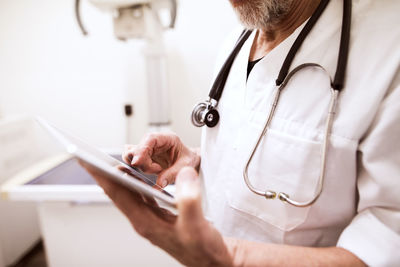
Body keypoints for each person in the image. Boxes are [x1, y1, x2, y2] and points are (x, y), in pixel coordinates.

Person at [85, 0, 400, 265]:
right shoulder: (239, 38)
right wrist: (198, 161)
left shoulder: (388, 53)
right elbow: (264, 148)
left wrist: (229, 256)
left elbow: (388, 239)